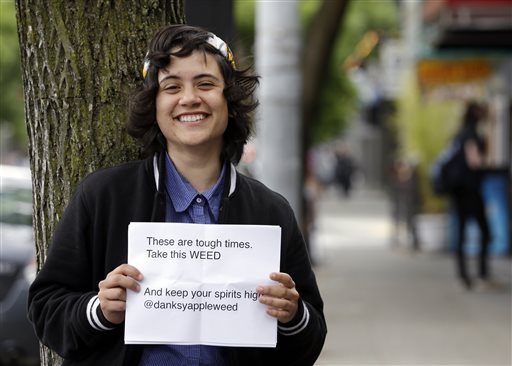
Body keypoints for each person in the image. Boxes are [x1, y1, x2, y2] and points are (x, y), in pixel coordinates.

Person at [27, 25, 327, 365]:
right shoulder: (103, 197)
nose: (189, 98)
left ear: (229, 99)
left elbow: (311, 338)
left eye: (205, 83)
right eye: (171, 87)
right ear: (154, 105)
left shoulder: (271, 212)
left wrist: (291, 314)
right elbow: (45, 309)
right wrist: (99, 309)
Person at [449, 101, 492, 291]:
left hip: (458, 190)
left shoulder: (459, 134)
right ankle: (481, 274)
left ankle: (463, 274)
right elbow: (474, 161)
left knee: (462, 232)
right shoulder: (472, 135)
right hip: (471, 190)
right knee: (485, 232)